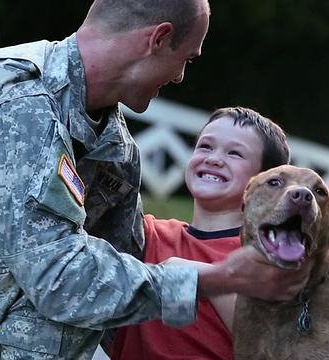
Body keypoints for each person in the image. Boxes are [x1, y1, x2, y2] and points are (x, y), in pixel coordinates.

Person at [0, 1, 307, 359]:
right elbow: (59, 278)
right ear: (158, 39)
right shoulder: (13, 100)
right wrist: (215, 278)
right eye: (185, 59)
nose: (182, 76)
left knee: (96, 277)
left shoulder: (115, 151)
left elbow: (128, 274)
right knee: (70, 281)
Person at [110, 107, 298, 360]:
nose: (214, 159)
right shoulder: (148, 233)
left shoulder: (266, 258)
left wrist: (186, 271)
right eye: (205, 147)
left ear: (265, 182)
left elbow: (269, 344)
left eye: (235, 153)